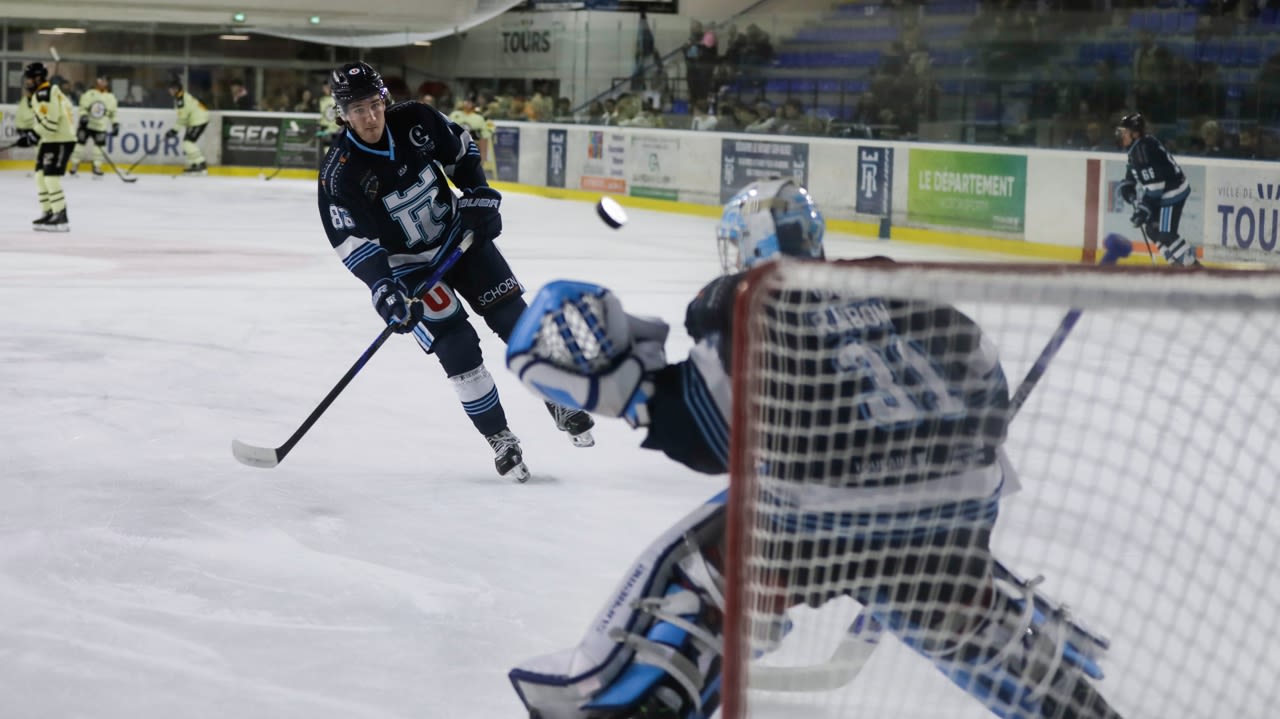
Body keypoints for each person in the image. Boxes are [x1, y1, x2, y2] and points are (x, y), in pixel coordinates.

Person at [504, 179, 1124, 719]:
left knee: (700, 564)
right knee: (948, 591)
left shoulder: (738, 300)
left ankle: (662, 687)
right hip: (960, 506)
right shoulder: (886, 276)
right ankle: (1024, 658)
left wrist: (640, 397)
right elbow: (986, 386)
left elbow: (713, 431)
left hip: (825, 522)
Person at [316, 61, 595, 481]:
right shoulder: (340, 173)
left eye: (374, 104)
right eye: (357, 110)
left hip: (457, 238)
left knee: (514, 318)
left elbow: (461, 152)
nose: (369, 117)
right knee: (457, 346)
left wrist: (479, 194)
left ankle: (556, 397)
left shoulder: (416, 120)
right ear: (341, 114)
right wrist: (383, 289)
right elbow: (354, 243)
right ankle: (500, 437)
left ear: (384, 100)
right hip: (408, 268)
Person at [1115, 113, 1197, 267]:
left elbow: (1156, 187)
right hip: (1165, 191)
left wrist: (1143, 209)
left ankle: (1194, 267)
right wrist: (1129, 183)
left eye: (1125, 132)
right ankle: (1176, 264)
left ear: (1135, 133)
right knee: (1153, 230)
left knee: (1166, 234)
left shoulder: (1143, 151)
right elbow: (1134, 169)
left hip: (1172, 192)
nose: (1122, 136)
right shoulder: (1139, 146)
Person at [21, 62, 75, 232]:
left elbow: (52, 121)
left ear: (38, 78)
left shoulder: (45, 93)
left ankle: (61, 216)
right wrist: (34, 135)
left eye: (29, 79)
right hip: (49, 139)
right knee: (39, 176)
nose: (27, 82)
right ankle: (49, 212)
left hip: (60, 139)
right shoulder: (45, 92)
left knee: (51, 178)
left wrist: (34, 134)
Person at [68, 76, 119, 178]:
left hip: (100, 126)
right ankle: (74, 165)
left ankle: (96, 167)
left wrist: (115, 124)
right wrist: (83, 116)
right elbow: (83, 106)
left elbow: (113, 113)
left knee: (99, 148)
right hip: (86, 125)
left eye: (105, 81)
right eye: (101, 81)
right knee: (79, 145)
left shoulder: (111, 97)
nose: (102, 83)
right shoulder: (89, 93)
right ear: (97, 81)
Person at [164, 78, 210, 175]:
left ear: (176, 89)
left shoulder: (181, 100)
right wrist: (174, 130)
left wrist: (174, 130)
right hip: (196, 119)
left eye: (171, 89)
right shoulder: (181, 97)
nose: (169, 91)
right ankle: (194, 164)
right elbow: (185, 116)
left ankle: (201, 164)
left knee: (188, 142)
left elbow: (182, 117)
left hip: (199, 120)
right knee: (187, 142)